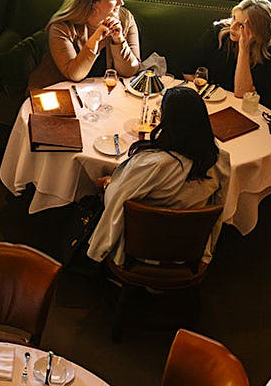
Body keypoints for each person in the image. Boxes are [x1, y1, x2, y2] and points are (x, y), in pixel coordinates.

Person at [85, 85, 222, 265]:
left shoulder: (154, 165)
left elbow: (115, 201)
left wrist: (107, 185)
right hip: (188, 249)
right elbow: (219, 203)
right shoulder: (218, 160)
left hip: (141, 251)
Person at [26, 0, 142, 90]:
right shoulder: (61, 27)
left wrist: (119, 41)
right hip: (60, 93)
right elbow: (74, 74)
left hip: (103, 95)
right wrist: (95, 39)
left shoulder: (125, 19)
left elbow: (131, 71)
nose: (121, 2)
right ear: (93, 2)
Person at [190, 0, 271, 124]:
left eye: (241, 25)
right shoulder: (217, 34)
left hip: (250, 115)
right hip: (214, 106)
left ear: (258, 32)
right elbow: (188, 70)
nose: (233, 27)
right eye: (234, 18)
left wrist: (244, 49)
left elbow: (242, 94)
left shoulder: (267, 51)